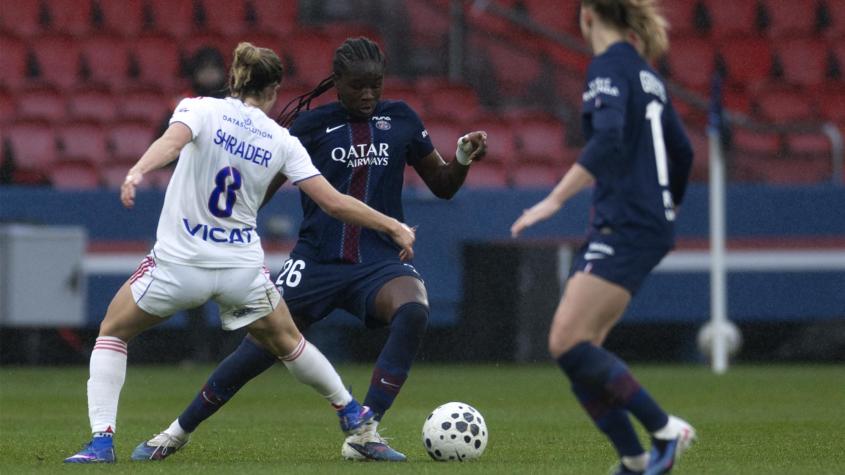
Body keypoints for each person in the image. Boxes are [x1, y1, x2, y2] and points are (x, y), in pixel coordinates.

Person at [130, 36, 487, 462]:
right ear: (337, 82)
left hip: (376, 262)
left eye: (376, 84)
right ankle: (175, 433)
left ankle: (365, 432)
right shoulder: (311, 126)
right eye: (358, 85)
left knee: (414, 309)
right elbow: (257, 191)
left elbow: (443, 186)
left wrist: (462, 156)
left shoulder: (403, 119)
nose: (369, 94)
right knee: (259, 349)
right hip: (315, 259)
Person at [64, 41, 417, 464]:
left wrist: (138, 170)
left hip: (181, 263)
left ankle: (102, 442)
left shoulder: (199, 109)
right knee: (290, 343)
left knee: (112, 332)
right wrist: (393, 225)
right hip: (241, 270)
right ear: (273, 92)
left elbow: (171, 143)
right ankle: (349, 410)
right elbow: (335, 202)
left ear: (234, 79)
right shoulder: (281, 139)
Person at [510, 1, 695, 474]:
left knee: (568, 342)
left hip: (626, 222)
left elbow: (608, 137)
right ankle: (633, 461)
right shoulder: (647, 74)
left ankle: (664, 431)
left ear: (588, 15)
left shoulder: (608, 67)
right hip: (642, 221)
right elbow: (683, 150)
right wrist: (664, 205)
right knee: (577, 350)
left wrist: (554, 200)